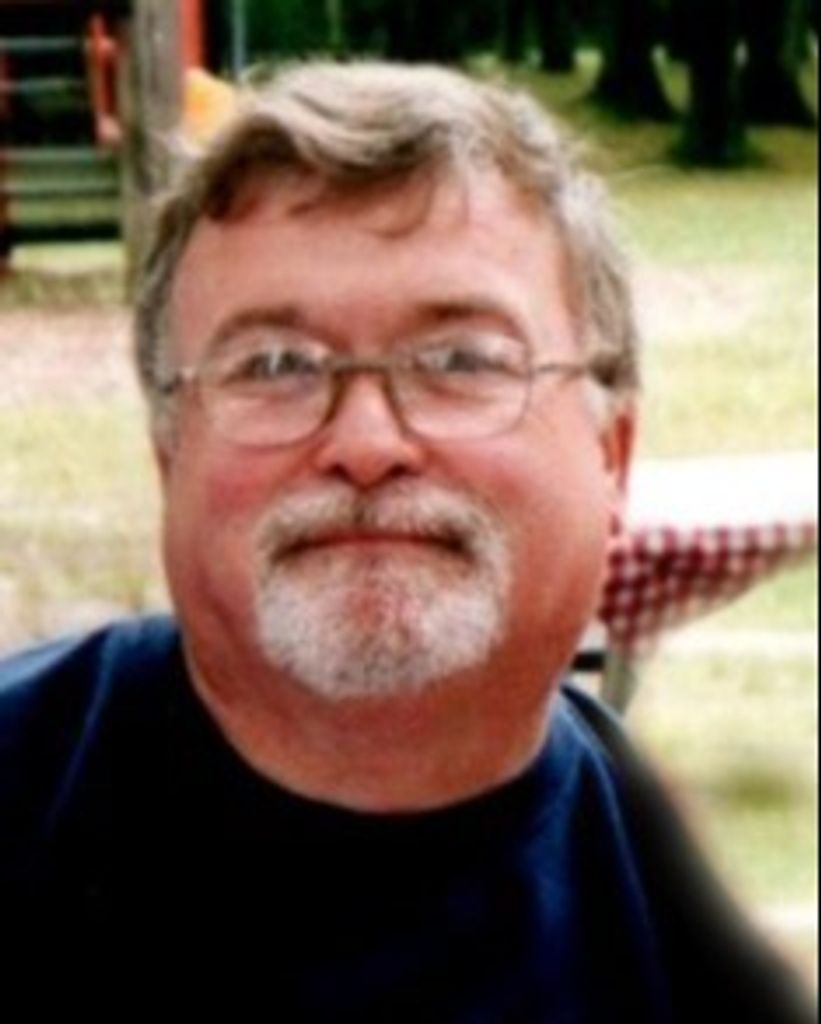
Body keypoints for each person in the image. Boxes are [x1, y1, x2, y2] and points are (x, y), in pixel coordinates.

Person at [0, 62, 814, 1021]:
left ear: (611, 458)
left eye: (461, 360)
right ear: (167, 457)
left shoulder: (694, 949)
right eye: (275, 365)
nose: (365, 443)